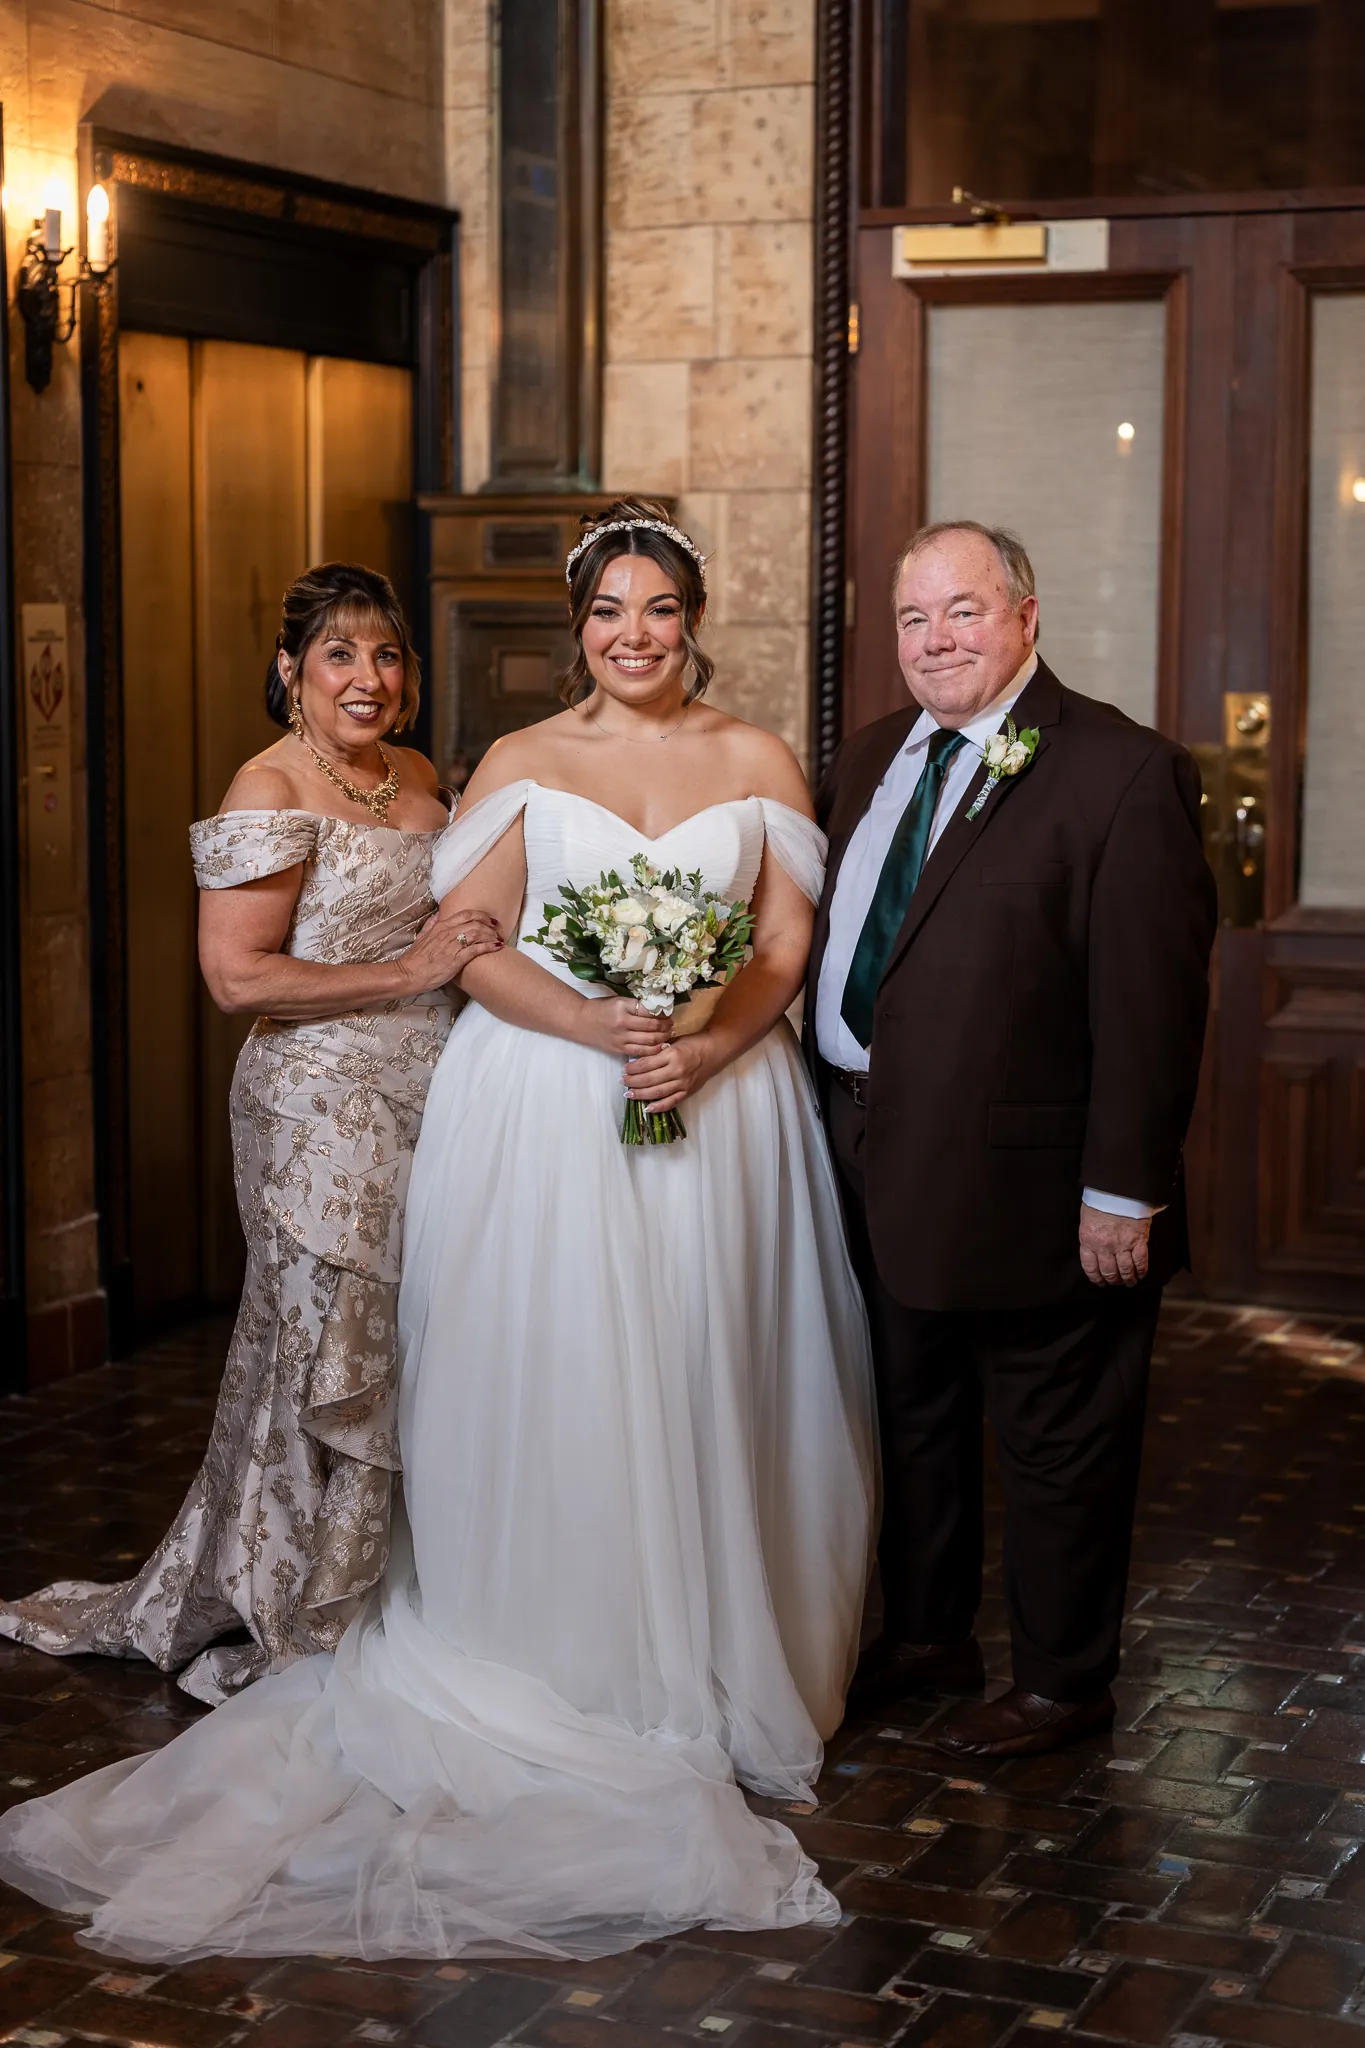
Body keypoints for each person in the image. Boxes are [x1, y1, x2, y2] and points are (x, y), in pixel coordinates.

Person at [0, 500, 876, 1961]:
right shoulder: (523, 765)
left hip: (721, 1115)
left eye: (661, 609)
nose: (636, 636)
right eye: (610, 611)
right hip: (549, 1105)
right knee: (566, 1366)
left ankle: (718, 1647)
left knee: (712, 1362)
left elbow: (781, 943)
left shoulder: (757, 760)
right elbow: (476, 953)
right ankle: (552, 1635)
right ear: (577, 625)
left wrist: (706, 1048)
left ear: (695, 619)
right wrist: (602, 1023)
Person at [0, 564, 500, 1704]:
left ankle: (395, 1588)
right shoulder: (266, 784)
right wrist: (415, 966)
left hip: (433, 1098)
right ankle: (304, 1604)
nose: (366, 678)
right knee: (328, 1340)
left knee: (408, 1341)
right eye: (339, 654)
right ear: (289, 669)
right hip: (317, 1105)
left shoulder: (415, 775)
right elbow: (236, 976)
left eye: (385, 656)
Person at [811, 520, 1217, 1758]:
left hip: (1038, 1182)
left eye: (964, 611)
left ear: (1026, 616)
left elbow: (1151, 1001)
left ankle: (1062, 1679)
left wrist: (1123, 1188)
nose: (937, 639)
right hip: (862, 1148)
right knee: (910, 1411)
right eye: (913, 618)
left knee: (1057, 1435)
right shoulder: (872, 755)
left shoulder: (1118, 769)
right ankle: (931, 1633)